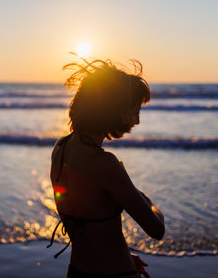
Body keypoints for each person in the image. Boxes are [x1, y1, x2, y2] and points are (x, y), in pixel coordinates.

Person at [48, 56, 165, 278]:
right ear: (114, 110)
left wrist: (123, 255)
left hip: (77, 271)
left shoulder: (60, 147)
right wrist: (148, 202)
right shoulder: (105, 164)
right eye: (135, 111)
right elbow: (156, 229)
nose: (137, 121)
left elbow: (86, 221)